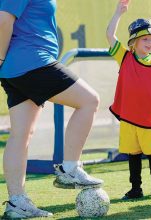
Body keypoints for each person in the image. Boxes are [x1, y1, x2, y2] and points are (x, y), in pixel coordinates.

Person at [0, 0, 103, 218]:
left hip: (21, 65)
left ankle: (17, 203)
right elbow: (3, 19)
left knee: (21, 134)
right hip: (32, 61)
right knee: (89, 101)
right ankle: (70, 169)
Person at [106, 0, 151, 200]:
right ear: (134, 42)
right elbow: (109, 35)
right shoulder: (125, 58)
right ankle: (136, 189)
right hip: (128, 119)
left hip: (150, 121)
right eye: (145, 39)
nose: (150, 42)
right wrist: (118, 12)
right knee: (133, 155)